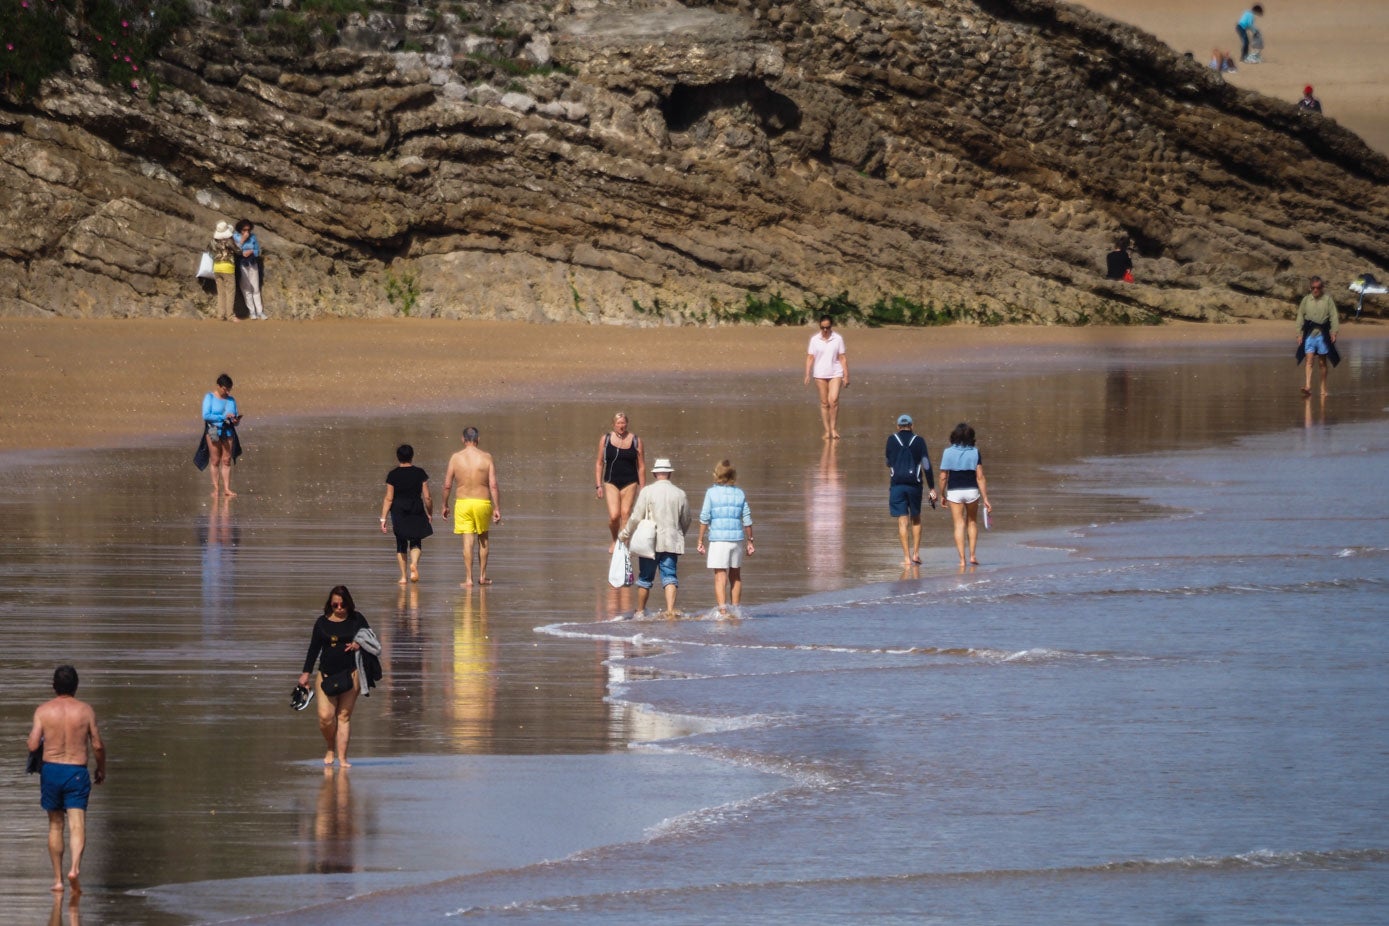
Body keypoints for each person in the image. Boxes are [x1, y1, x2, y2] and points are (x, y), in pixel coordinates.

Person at [27, 665, 106, 895]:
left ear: (54, 686)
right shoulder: (85, 711)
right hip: (77, 771)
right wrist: (101, 769)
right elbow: (98, 745)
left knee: (55, 825)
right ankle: (74, 868)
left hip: (51, 771)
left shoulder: (43, 711)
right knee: (77, 824)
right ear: (76, 686)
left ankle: (59, 880)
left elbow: (33, 745)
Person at [298, 586, 370, 768]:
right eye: (335, 604)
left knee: (344, 716)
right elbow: (313, 649)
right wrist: (306, 673)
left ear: (349, 604)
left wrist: (358, 644)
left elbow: (371, 639)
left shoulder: (357, 619)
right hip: (326, 675)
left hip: (351, 673)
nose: (339, 608)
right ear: (330, 604)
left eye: (343, 604)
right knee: (325, 717)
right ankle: (330, 747)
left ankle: (343, 758)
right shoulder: (322, 623)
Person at [618, 457, 692, 618]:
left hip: (649, 543)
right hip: (671, 542)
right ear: (669, 474)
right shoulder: (680, 494)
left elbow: (636, 517)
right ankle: (670, 610)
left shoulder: (647, 492)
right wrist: (680, 534)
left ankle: (640, 612)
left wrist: (624, 534)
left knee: (645, 578)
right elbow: (686, 519)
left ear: (654, 474)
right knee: (670, 577)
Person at [442, 426, 501, 587]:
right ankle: (482, 576)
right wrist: (497, 507)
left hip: (463, 503)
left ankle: (468, 579)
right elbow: (493, 485)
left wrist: (445, 505)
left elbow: (447, 485)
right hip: (482, 502)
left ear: (463, 440)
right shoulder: (486, 457)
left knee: (467, 542)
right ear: (478, 439)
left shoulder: (455, 458)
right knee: (483, 539)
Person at [696, 459, 755, 618]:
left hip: (718, 540)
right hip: (736, 539)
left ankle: (722, 611)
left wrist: (700, 539)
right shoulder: (740, 493)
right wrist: (750, 540)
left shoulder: (711, 493)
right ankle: (735, 610)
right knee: (735, 575)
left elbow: (705, 518)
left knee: (720, 576)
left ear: (717, 474)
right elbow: (747, 518)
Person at [939, 422, 993, 568]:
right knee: (972, 522)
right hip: (971, 491)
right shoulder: (975, 452)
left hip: (955, 491)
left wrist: (942, 493)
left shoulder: (947, 452)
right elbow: (980, 477)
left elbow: (943, 476)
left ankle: (962, 560)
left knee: (958, 524)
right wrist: (986, 498)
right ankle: (973, 556)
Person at [885, 414, 936, 566]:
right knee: (916, 518)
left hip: (897, 485)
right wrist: (932, 487)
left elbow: (888, 461)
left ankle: (906, 558)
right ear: (912, 426)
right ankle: (916, 554)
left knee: (902, 521)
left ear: (898, 426)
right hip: (915, 485)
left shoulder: (891, 440)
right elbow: (926, 464)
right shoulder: (919, 441)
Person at [380, 444, 433, 585]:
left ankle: (403, 577)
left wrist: (383, 518)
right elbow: (427, 496)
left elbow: (389, 498)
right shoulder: (420, 473)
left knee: (401, 542)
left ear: (398, 457)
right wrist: (430, 512)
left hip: (399, 511)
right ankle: (414, 563)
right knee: (416, 540)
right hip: (416, 508)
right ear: (412, 456)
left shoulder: (393, 475)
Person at [595, 412, 645, 551]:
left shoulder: (636, 440)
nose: (621, 426)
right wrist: (598, 485)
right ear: (613, 424)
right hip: (611, 481)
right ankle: (614, 539)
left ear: (627, 424)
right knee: (614, 516)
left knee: (625, 513)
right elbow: (599, 463)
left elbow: (641, 466)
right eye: (618, 423)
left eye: (623, 423)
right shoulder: (605, 439)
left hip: (630, 481)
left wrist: (643, 487)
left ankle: (623, 543)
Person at [804, 315, 849, 440]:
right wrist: (807, 374)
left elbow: (842, 357)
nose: (825, 330)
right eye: (822, 328)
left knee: (833, 401)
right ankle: (827, 430)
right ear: (820, 327)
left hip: (836, 373)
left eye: (827, 328)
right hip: (820, 374)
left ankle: (834, 428)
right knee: (824, 403)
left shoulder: (837, 339)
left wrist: (846, 376)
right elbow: (810, 357)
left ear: (831, 326)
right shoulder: (814, 340)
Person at [1296, 276, 1340, 397]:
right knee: (1309, 360)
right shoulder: (1306, 300)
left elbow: (1334, 316)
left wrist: (1334, 332)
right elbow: (1300, 315)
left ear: (1322, 288)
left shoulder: (1327, 300)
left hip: (1322, 334)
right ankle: (1308, 386)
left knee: (1322, 362)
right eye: (1313, 288)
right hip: (1309, 334)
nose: (1315, 290)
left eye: (1318, 288)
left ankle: (1323, 388)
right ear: (1310, 288)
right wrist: (1299, 334)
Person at [201, 373, 242, 498]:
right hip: (213, 429)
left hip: (228, 430)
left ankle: (227, 489)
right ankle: (216, 489)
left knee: (227, 459)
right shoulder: (210, 397)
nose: (227, 392)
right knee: (215, 459)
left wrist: (235, 420)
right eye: (225, 389)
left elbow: (234, 417)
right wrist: (223, 417)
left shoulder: (231, 400)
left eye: (229, 389)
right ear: (219, 386)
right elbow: (206, 415)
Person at [233, 219, 267, 320]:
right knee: (246, 288)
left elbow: (257, 250)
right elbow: (235, 250)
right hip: (242, 264)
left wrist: (252, 251)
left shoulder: (253, 237)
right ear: (240, 230)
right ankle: (252, 312)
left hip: (252, 263)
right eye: (244, 230)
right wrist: (242, 240)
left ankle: (260, 311)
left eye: (248, 230)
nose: (247, 232)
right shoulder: (235, 237)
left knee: (255, 287)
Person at [210, 221, 239, 321]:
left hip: (217, 267)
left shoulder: (213, 241)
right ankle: (230, 315)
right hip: (227, 268)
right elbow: (238, 250)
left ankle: (221, 315)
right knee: (230, 292)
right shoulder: (229, 241)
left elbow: (210, 251)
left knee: (221, 292)